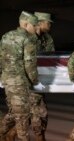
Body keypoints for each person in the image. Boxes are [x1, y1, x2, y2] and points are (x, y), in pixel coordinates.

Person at [0, 11, 45, 141]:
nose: (36, 28)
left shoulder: (6, 36)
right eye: (34, 25)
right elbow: (30, 64)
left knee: (14, 112)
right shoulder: (27, 39)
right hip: (20, 82)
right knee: (23, 116)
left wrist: (2, 77)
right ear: (26, 24)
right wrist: (35, 81)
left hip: (7, 81)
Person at [27, 11, 54, 141]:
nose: (50, 25)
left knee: (35, 114)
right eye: (48, 22)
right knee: (39, 113)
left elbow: (51, 57)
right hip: (27, 81)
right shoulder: (27, 38)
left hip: (40, 81)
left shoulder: (47, 38)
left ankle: (9, 133)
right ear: (40, 23)